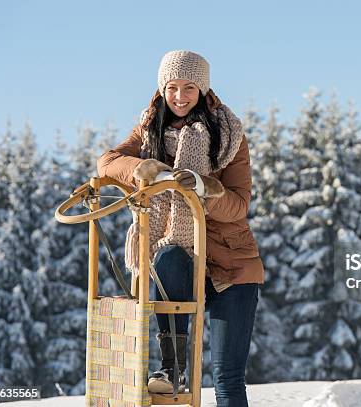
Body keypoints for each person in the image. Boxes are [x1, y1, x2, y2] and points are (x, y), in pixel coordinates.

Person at [97, 50, 264, 406]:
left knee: (227, 378)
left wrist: (203, 188)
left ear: (203, 90)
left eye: (190, 87)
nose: (180, 96)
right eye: (172, 87)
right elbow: (107, 163)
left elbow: (239, 205)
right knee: (169, 255)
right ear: (162, 88)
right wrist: (148, 170)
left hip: (230, 264)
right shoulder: (148, 129)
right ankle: (171, 367)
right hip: (181, 258)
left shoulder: (228, 134)